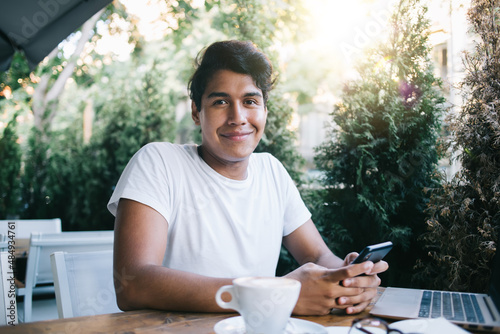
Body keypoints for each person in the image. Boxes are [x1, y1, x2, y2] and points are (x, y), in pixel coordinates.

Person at [108, 40, 388, 315]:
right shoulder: (159, 163)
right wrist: (276, 293)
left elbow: (317, 256)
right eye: (220, 101)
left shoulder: (272, 171)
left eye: (250, 101)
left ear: (265, 111)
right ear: (196, 111)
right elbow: (134, 284)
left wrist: (347, 276)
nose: (237, 117)